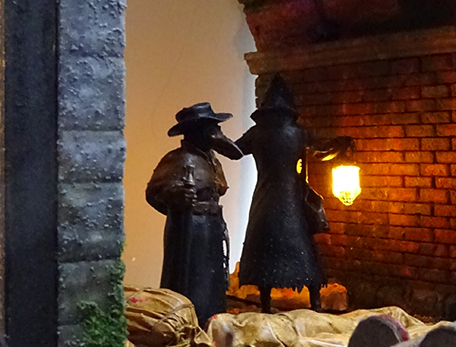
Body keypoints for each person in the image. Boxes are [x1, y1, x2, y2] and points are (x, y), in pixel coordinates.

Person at [236, 76, 352, 313]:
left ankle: (266, 303)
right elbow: (322, 151)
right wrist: (341, 145)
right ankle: (315, 302)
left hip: (265, 198)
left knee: (265, 251)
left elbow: (234, 150)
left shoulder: (256, 133)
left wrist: (212, 139)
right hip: (292, 199)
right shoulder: (298, 132)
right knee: (303, 249)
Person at [146, 104, 242, 327]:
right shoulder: (178, 158)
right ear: (199, 130)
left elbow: (235, 153)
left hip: (211, 225)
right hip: (188, 227)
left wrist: (220, 139)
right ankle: (185, 324)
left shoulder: (212, 159)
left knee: (211, 279)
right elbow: (153, 193)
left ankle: (211, 322)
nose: (217, 133)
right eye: (212, 129)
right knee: (189, 279)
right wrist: (175, 195)